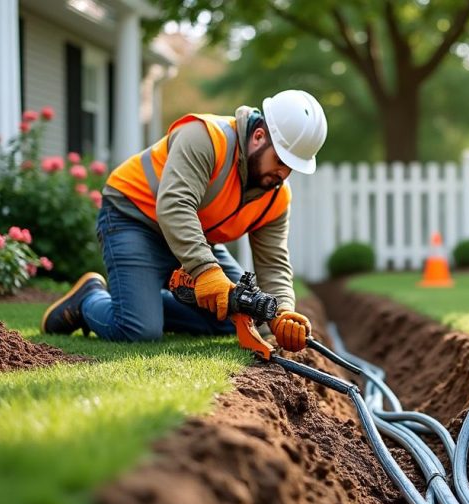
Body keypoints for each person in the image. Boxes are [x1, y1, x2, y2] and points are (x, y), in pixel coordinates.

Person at [42, 90, 327, 352]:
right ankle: (90, 299)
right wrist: (206, 271)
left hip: (190, 238)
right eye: (280, 160)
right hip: (133, 217)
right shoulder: (205, 137)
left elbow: (273, 262)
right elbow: (175, 205)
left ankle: (144, 302)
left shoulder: (275, 196)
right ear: (259, 136)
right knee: (138, 331)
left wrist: (281, 314)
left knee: (237, 312)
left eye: (291, 168)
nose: (283, 174)